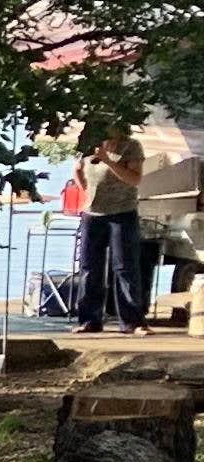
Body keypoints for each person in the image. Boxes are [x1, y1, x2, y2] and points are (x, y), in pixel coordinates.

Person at [80, 131, 150, 334]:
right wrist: (86, 192)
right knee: (89, 267)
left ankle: (132, 322)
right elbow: (77, 168)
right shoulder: (88, 143)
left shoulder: (131, 147)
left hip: (122, 213)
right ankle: (89, 320)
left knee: (124, 267)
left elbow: (134, 179)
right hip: (93, 214)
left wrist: (108, 161)